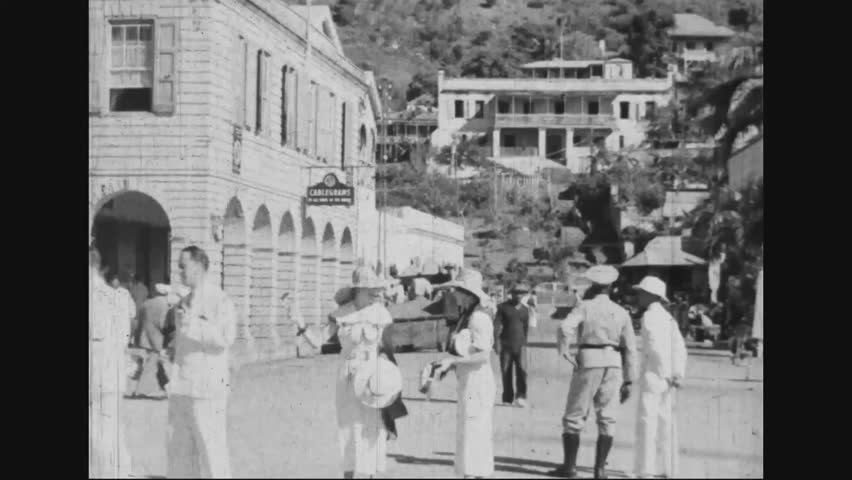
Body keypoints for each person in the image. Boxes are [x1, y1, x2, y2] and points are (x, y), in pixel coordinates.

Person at [552, 265, 637, 479]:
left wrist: (565, 350)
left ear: (593, 285)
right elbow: (631, 348)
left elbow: (565, 328)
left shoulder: (585, 306)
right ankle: (600, 469)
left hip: (589, 360)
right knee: (607, 416)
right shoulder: (621, 312)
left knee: (575, 413)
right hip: (614, 363)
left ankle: (570, 467)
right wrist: (629, 380)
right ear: (610, 287)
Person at [167, 246, 237, 478]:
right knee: (180, 452)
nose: (179, 272)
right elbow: (181, 344)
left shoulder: (219, 299)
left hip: (207, 390)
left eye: (182, 266)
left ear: (198, 267)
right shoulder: (184, 301)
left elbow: (226, 337)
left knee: (212, 452)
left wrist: (192, 325)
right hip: (182, 386)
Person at [332, 266, 403, 479]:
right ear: (357, 290)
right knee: (348, 428)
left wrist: (388, 383)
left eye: (376, 289)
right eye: (370, 289)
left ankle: (370, 475)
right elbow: (317, 340)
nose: (375, 293)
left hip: (371, 378)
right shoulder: (342, 314)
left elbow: (388, 350)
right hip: (347, 377)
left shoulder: (381, 314)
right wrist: (299, 323)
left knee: (371, 428)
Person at [433, 268, 496, 479]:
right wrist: (447, 364)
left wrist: (453, 361)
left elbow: (483, 355)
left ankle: (474, 475)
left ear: (469, 293)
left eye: (459, 290)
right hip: (468, 379)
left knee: (473, 429)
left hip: (477, 380)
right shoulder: (467, 317)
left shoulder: (478, 319)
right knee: (468, 429)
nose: (455, 294)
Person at [632, 276, 687, 479]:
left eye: (641, 293)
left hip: (654, 374)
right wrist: (677, 373)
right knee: (667, 423)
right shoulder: (668, 317)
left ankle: (645, 470)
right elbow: (679, 347)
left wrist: (664, 372)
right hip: (668, 376)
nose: (638, 296)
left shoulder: (648, 316)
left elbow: (655, 347)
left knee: (647, 422)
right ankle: (669, 469)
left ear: (649, 295)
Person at [89, 247, 133, 478]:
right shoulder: (118, 297)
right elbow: (125, 337)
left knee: (98, 435)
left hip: (96, 374)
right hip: (113, 373)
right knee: (112, 429)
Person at [131, 284, 173, 398]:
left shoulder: (146, 303)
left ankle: (166, 387)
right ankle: (140, 391)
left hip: (144, 338)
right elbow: (163, 324)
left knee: (156, 363)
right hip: (157, 339)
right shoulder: (164, 305)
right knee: (151, 364)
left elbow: (138, 321)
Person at [494, 284, 531, 407]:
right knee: (506, 371)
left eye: (521, 293)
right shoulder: (503, 307)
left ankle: (521, 396)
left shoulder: (525, 310)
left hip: (520, 345)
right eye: (516, 293)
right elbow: (497, 326)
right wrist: (496, 343)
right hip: (505, 344)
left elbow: (526, 328)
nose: (519, 295)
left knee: (522, 371)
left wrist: (524, 343)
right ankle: (507, 398)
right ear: (512, 294)